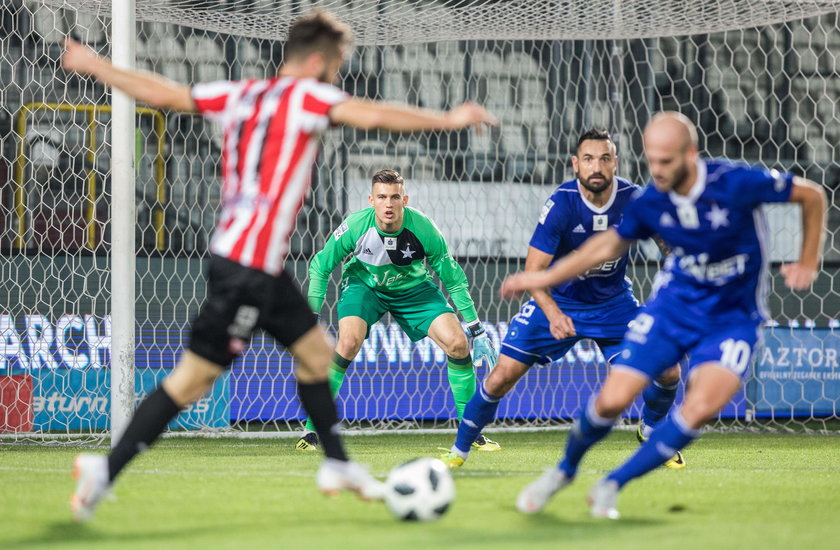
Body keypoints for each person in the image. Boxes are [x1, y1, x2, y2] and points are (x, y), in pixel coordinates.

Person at [62, 10, 497, 522]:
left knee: (318, 355)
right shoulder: (308, 97)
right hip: (249, 267)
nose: (335, 76)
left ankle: (336, 463)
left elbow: (162, 94)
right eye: (335, 66)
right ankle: (105, 470)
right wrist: (447, 120)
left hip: (249, 263)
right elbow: (373, 115)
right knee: (193, 380)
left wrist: (97, 66)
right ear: (316, 61)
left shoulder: (241, 94)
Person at [501, 112, 826, 518]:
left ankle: (612, 484)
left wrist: (809, 259)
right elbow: (601, 249)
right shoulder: (650, 201)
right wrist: (541, 277)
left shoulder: (735, 182)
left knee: (701, 407)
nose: (657, 170)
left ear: (691, 154)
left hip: (733, 318)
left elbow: (811, 195)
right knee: (612, 400)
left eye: (666, 161)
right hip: (672, 309)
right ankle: (563, 471)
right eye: (651, 159)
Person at [440, 128, 682, 469]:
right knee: (500, 376)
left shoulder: (635, 200)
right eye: (588, 159)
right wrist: (553, 314)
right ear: (575, 164)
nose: (595, 166)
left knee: (668, 370)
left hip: (614, 305)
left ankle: (652, 430)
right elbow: (534, 272)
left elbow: (670, 245)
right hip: (558, 301)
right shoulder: (562, 204)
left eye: (603, 158)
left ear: (616, 162)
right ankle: (460, 451)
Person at [296, 169, 499, 452]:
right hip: (365, 286)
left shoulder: (424, 228)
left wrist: (475, 327)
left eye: (394, 197)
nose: (388, 204)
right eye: (381, 197)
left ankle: (471, 432)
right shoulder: (356, 225)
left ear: (404, 199)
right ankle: (311, 430)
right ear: (371, 200)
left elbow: (453, 278)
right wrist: (312, 319)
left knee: (457, 344)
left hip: (414, 290)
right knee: (348, 341)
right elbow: (320, 265)